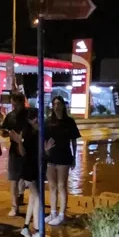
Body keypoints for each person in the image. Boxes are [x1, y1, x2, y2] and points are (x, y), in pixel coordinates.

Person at [7, 110, 43, 237]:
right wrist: (19, 142)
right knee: (38, 197)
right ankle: (38, 230)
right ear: (31, 120)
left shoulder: (39, 133)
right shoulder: (28, 134)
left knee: (34, 197)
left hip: (36, 168)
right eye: (36, 119)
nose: (39, 122)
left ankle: (26, 227)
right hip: (29, 169)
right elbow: (22, 153)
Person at [44, 95, 81, 225]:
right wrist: (45, 149)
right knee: (52, 186)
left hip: (64, 156)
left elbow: (74, 141)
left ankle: (61, 214)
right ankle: (53, 212)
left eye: (59, 104)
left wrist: (74, 158)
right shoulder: (48, 122)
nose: (56, 106)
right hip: (51, 157)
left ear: (63, 106)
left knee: (62, 186)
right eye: (54, 104)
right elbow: (43, 138)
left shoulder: (69, 122)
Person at [0, 92, 31, 217]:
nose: (14, 107)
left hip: (29, 151)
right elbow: (4, 130)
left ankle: (30, 202)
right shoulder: (10, 116)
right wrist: (4, 132)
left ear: (22, 103)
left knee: (30, 179)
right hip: (14, 151)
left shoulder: (30, 114)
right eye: (12, 105)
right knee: (13, 179)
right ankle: (15, 206)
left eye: (16, 105)